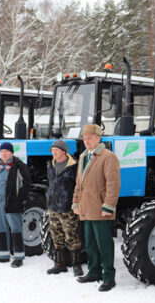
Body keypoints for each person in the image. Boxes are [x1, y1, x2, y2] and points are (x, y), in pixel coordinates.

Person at [72, 124, 120, 292]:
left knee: (104, 245)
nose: (87, 141)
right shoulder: (84, 156)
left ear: (99, 138)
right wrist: (76, 203)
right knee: (91, 244)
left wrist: (108, 206)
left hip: (100, 209)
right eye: (85, 138)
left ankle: (108, 277)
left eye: (90, 138)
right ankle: (94, 272)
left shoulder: (108, 157)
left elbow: (113, 185)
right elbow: (79, 183)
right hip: (86, 208)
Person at [0, 142, 31, 268]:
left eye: (6, 151)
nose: (4, 153)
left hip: (11, 201)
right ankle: (3, 255)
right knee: (0, 228)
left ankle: (18, 256)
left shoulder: (19, 165)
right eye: (2, 151)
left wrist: (19, 200)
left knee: (16, 228)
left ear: (11, 152)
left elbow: (26, 184)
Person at [45, 139, 83, 276]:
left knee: (72, 237)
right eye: (52, 151)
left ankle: (76, 265)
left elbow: (79, 186)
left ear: (64, 151)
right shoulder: (50, 165)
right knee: (56, 236)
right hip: (53, 206)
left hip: (67, 207)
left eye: (56, 150)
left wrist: (76, 203)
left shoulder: (75, 166)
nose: (54, 153)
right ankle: (59, 264)